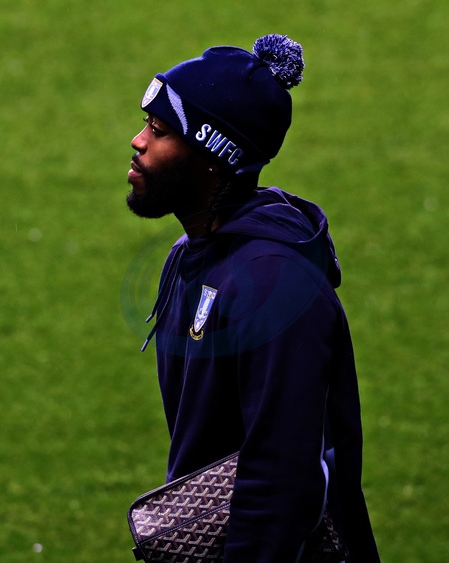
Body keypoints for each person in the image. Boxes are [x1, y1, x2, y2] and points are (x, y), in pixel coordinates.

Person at [126, 34, 380, 563]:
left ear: (213, 156)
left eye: (160, 131)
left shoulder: (276, 285)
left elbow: (282, 478)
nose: (138, 141)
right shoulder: (191, 257)